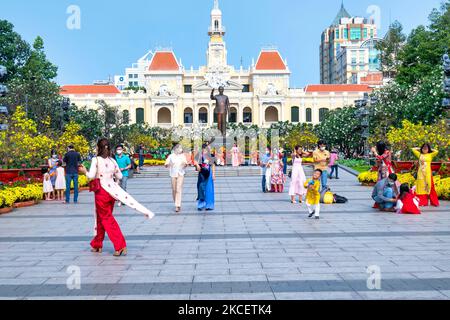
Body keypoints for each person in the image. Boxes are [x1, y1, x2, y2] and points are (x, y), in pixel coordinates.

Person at [78, 138, 154, 257]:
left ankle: (120, 245)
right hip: (112, 192)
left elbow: (91, 175)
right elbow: (118, 175)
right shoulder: (113, 161)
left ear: (98, 148)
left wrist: (84, 171)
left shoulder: (96, 160)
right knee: (101, 218)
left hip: (101, 192)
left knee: (107, 219)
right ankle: (97, 244)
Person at [165, 144, 188, 213]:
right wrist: (169, 164)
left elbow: (186, 164)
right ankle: (176, 202)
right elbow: (166, 165)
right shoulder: (171, 156)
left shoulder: (182, 156)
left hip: (180, 174)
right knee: (174, 189)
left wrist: (184, 164)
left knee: (178, 189)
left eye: (180, 148)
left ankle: (177, 205)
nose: (179, 149)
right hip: (173, 174)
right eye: (178, 148)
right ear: (175, 149)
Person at [195, 144, 216, 211]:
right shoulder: (199, 155)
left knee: (209, 189)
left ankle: (209, 205)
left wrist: (213, 174)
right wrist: (197, 165)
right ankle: (201, 205)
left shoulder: (211, 155)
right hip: (202, 173)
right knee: (201, 188)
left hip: (209, 174)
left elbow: (213, 165)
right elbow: (195, 161)